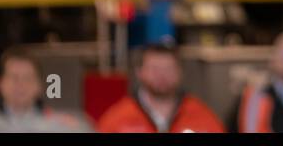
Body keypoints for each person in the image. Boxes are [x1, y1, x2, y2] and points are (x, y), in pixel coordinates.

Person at [96, 43, 225, 133]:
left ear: (181, 72)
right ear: (139, 72)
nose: (162, 75)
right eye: (154, 69)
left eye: (168, 68)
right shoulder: (116, 120)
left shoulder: (204, 118)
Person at [0, 49, 91, 132]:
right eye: (14, 77)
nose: (21, 84)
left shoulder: (65, 126)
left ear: (39, 85)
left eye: (28, 78)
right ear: (0, 83)